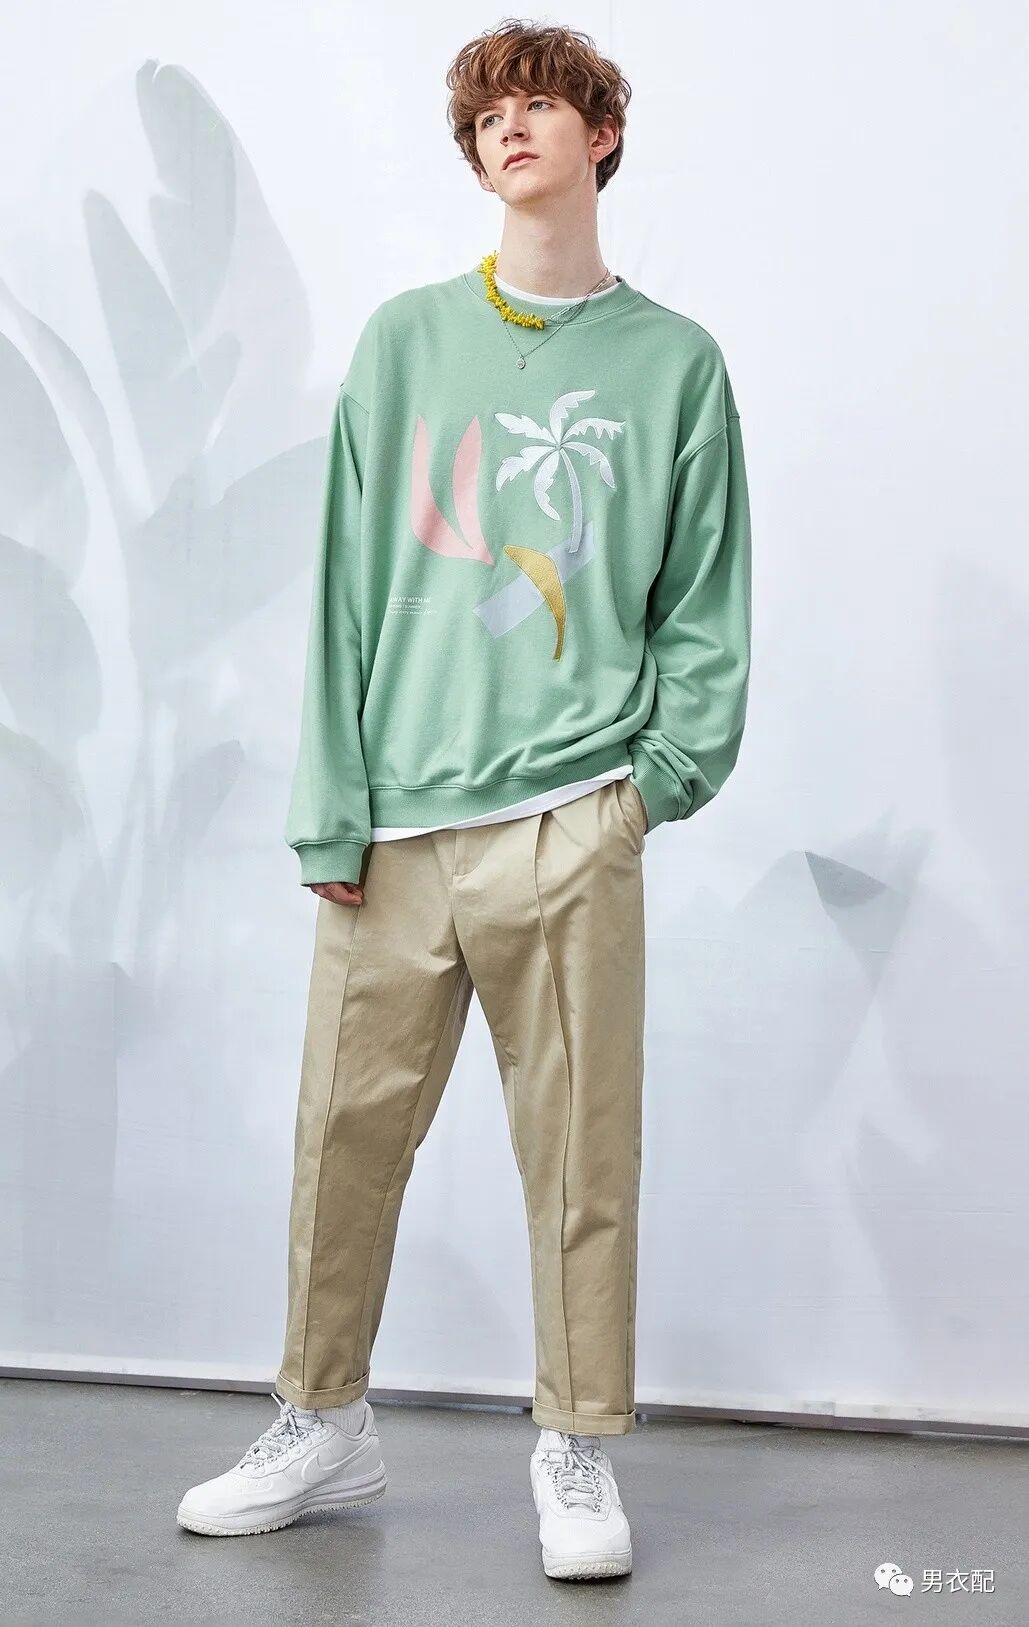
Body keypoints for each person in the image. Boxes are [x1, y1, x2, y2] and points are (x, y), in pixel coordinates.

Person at [176, 18, 752, 1581]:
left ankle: (575, 1440)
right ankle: (319, 1419)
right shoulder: (405, 344)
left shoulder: (674, 365)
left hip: (570, 815)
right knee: (340, 1138)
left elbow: (703, 601)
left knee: (579, 1154)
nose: (511, 127)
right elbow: (346, 586)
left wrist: (648, 790)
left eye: (542, 104)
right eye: (489, 113)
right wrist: (331, 807)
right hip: (394, 830)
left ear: (600, 135)